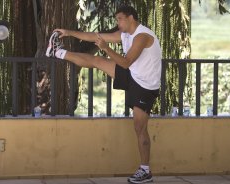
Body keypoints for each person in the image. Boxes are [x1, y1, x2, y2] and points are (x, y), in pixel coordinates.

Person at [46, 5, 161, 184]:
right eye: (116, 19)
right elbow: (94, 36)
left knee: (139, 127)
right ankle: (57, 51)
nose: (118, 22)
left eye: (120, 19)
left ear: (131, 18)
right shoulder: (125, 34)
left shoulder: (142, 36)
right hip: (133, 74)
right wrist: (68, 32)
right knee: (97, 60)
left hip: (145, 85)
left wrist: (106, 48)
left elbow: (125, 62)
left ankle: (145, 170)